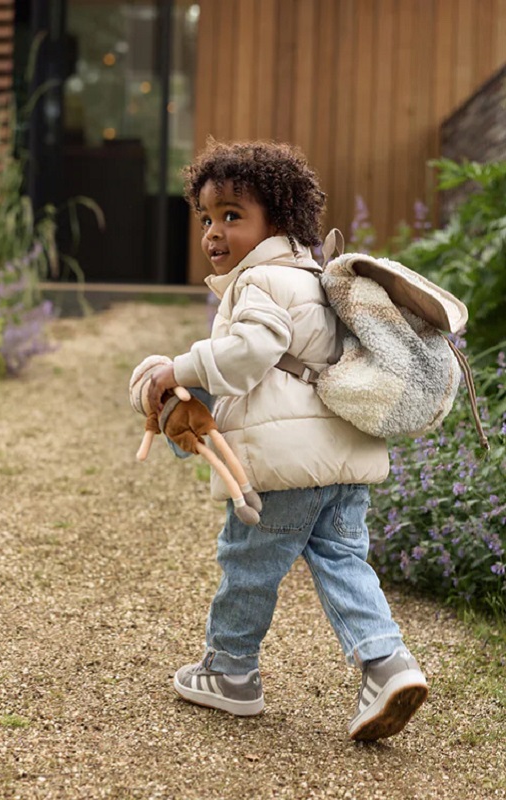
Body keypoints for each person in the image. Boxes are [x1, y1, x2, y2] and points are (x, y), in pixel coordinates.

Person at [141, 139, 428, 741]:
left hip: (286, 469)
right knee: (343, 560)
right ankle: (387, 663)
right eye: (206, 219)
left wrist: (180, 370)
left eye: (232, 216)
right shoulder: (319, 278)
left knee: (247, 563)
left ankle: (231, 672)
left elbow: (252, 354)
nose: (214, 233)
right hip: (344, 459)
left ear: (279, 219)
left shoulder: (260, 283)